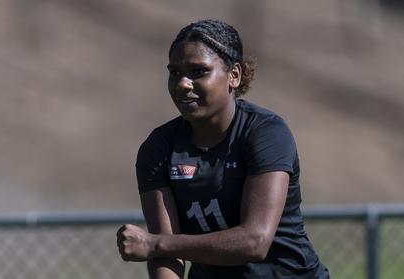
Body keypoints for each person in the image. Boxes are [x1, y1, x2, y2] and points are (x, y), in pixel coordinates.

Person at [116, 19, 330, 278]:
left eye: (198, 71)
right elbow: (167, 257)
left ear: (234, 75)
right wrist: (160, 248)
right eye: (174, 72)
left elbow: (255, 241)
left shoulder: (266, 132)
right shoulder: (158, 147)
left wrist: (154, 244)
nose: (183, 83)